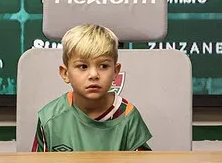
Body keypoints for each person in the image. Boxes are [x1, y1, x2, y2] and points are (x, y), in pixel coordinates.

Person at [33, 24, 152, 152]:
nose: (94, 75)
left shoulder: (128, 116)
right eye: (83, 67)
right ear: (65, 73)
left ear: (116, 72)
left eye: (103, 66)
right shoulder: (49, 117)